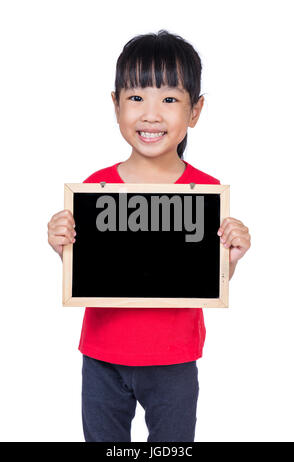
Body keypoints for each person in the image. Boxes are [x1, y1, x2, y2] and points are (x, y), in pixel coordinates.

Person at [47, 30, 251, 442]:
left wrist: (230, 258)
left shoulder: (206, 193)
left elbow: (208, 280)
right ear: (116, 105)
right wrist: (62, 245)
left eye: (170, 99)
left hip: (174, 360)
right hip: (102, 356)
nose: (151, 114)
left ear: (195, 111)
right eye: (137, 98)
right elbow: (88, 269)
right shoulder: (96, 188)